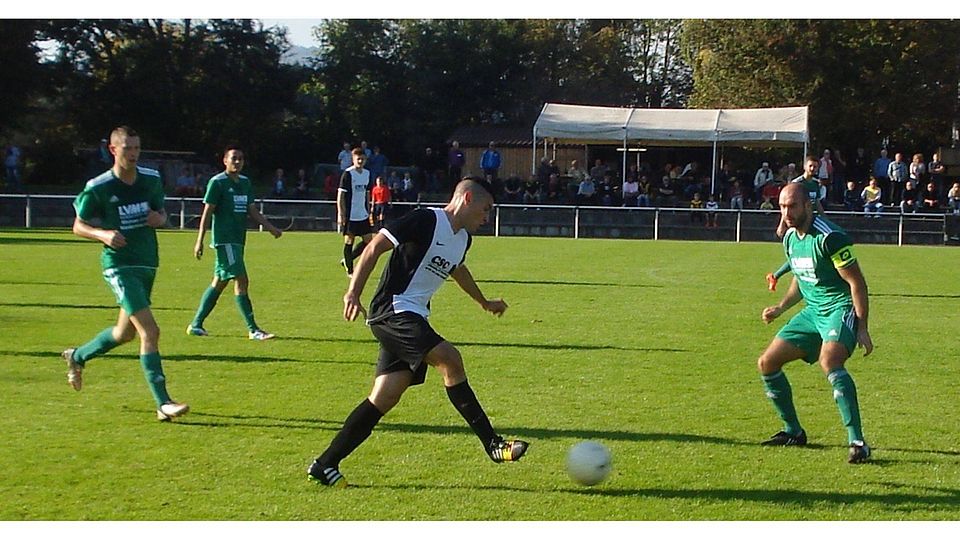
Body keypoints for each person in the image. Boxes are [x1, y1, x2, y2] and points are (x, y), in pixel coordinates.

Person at [306, 178, 528, 487]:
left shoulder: (462, 239)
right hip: (393, 310)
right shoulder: (425, 219)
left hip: (412, 315)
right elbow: (373, 248)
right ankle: (493, 444)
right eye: (485, 208)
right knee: (450, 359)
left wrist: (483, 302)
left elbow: (457, 269)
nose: (487, 217)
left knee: (383, 398)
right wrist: (352, 292)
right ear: (466, 200)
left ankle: (325, 463)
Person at [61, 126, 189, 421]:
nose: (132, 154)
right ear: (113, 150)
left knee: (124, 333)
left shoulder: (151, 180)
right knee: (150, 331)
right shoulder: (99, 186)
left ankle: (77, 356)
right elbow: (78, 225)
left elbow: (162, 214)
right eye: (127, 148)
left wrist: (160, 218)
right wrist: (103, 234)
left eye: (136, 149)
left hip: (147, 263)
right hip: (118, 266)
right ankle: (163, 403)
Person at [757, 182, 874, 464]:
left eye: (792, 206)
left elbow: (856, 282)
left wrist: (862, 327)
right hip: (812, 313)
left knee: (830, 360)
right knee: (767, 363)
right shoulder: (789, 239)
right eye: (782, 206)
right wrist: (781, 308)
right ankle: (793, 431)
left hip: (839, 308)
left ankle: (857, 442)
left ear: (808, 205)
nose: (786, 212)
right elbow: (802, 276)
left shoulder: (830, 237)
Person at [187, 144, 283, 341]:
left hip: (238, 240)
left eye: (240, 158)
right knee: (242, 279)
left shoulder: (245, 183)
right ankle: (253, 329)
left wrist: (270, 227)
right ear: (225, 161)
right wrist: (200, 241)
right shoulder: (217, 183)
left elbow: (252, 210)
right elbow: (207, 213)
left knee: (219, 282)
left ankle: (196, 324)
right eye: (233, 158)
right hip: (225, 240)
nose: (237, 162)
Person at [767, 156, 826, 291]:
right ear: (805, 166)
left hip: (811, 221)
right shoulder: (797, 183)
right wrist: (782, 224)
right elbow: (787, 204)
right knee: (801, 254)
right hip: (798, 221)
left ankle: (776, 276)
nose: (813, 169)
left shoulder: (816, 184)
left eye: (815, 166)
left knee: (805, 254)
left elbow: (816, 203)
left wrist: (824, 219)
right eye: (810, 166)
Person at [338, 148, 374, 277]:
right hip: (350, 215)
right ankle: (350, 270)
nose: (360, 161)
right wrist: (341, 214)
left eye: (362, 159)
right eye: (358, 159)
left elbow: (367, 194)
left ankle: (347, 260)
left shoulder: (367, 174)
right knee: (349, 241)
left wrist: (369, 210)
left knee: (369, 241)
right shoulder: (348, 174)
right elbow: (340, 195)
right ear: (353, 159)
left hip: (362, 214)